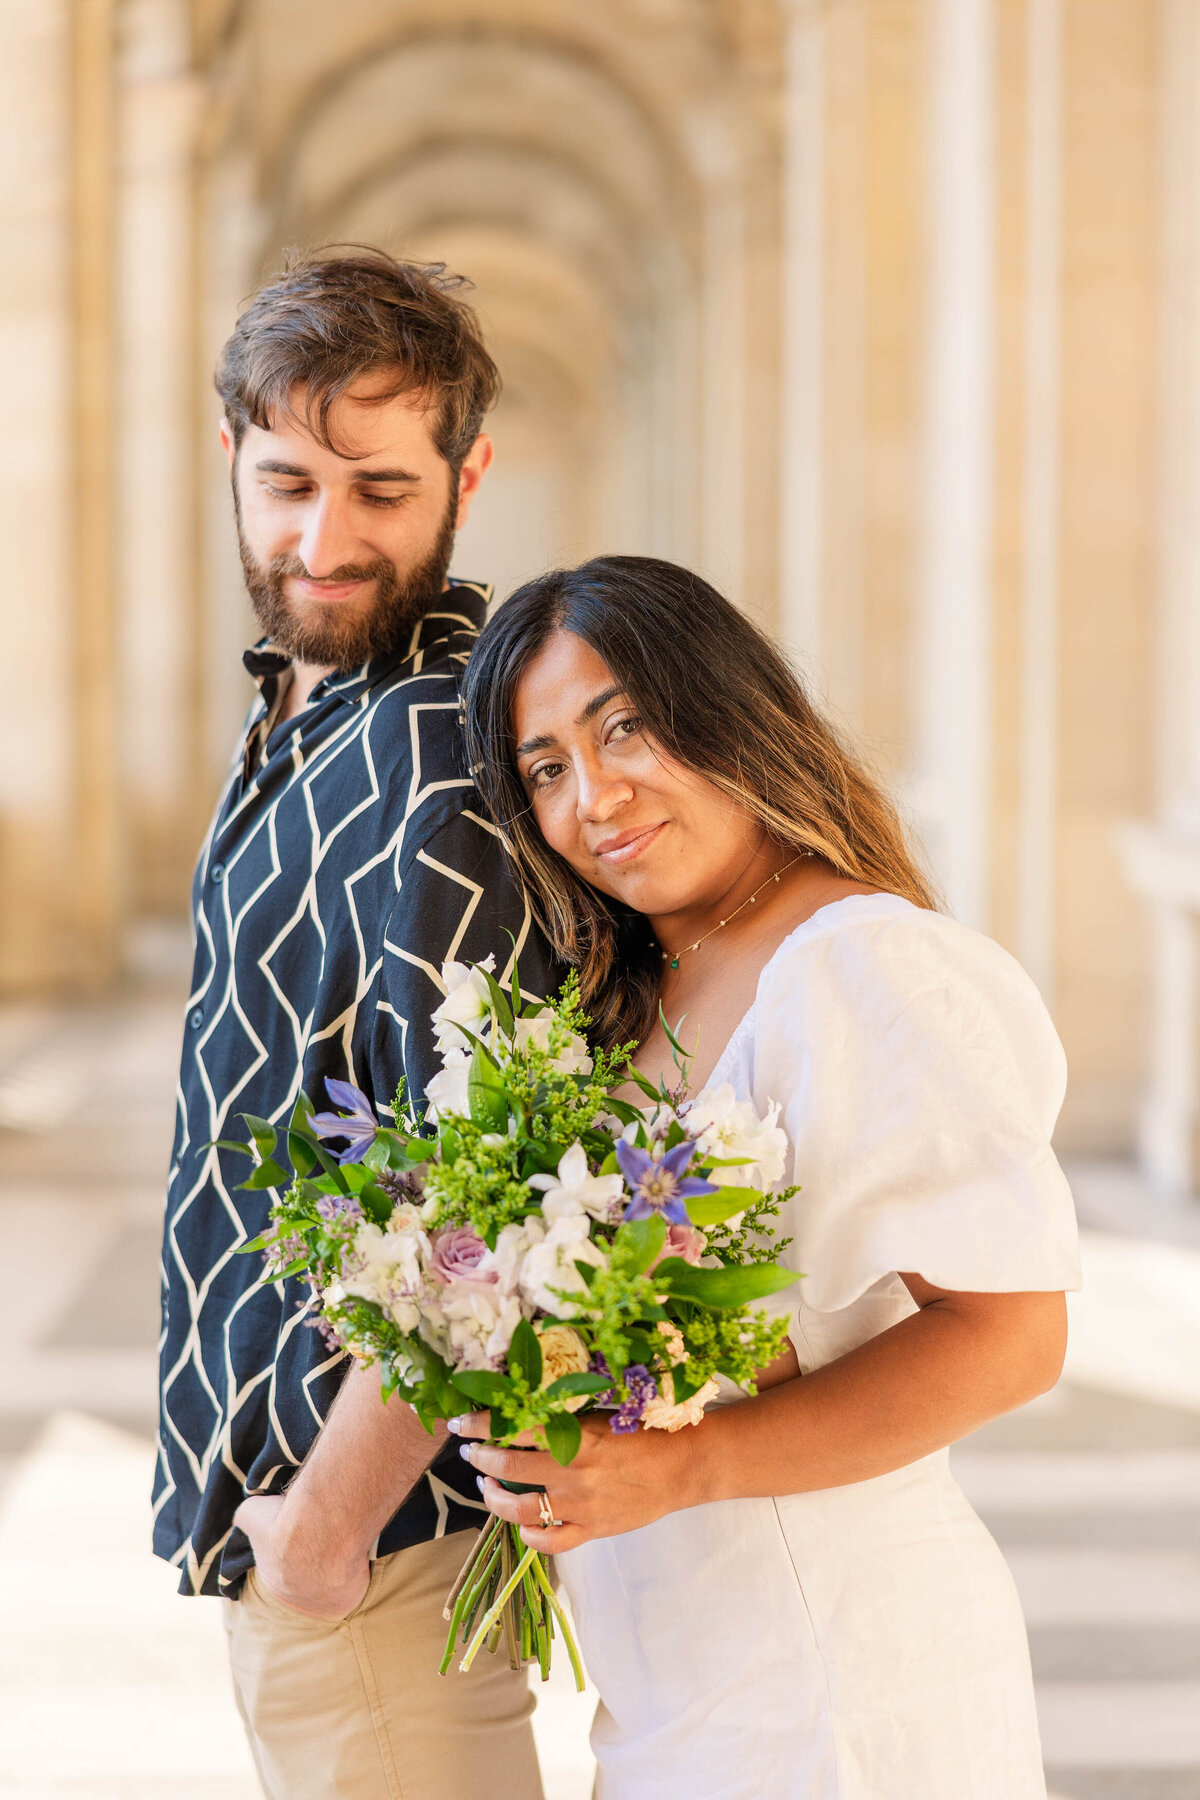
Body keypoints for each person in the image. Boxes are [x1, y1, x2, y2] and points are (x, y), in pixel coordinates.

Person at [454, 555, 1082, 1799]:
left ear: (724, 706)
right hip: (680, 1690)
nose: (595, 795)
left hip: (837, 1685)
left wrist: (686, 1463)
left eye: (622, 724)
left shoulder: (860, 969)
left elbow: (1014, 1338)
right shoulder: (626, 1004)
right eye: (546, 769)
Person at [154, 249, 556, 1800]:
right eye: (289, 482)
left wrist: (323, 1528)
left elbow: (493, 1191)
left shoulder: (434, 765)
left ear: (469, 473)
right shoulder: (311, 712)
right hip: (303, 1538)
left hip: (368, 1557)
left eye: (383, 490)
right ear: (235, 463)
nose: (326, 540)